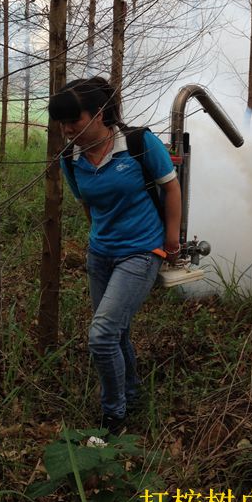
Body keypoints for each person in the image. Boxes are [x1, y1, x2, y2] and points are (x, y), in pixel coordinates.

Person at [48, 77, 182, 433]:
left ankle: (114, 416)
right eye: (62, 123)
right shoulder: (70, 158)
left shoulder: (139, 143)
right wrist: (99, 238)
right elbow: (87, 204)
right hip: (101, 254)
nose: (67, 129)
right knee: (117, 333)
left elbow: (170, 187)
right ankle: (133, 395)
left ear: (100, 115)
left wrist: (170, 242)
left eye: (73, 121)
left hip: (141, 251)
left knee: (102, 335)